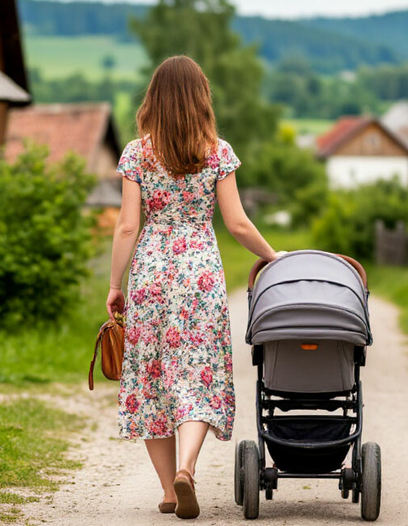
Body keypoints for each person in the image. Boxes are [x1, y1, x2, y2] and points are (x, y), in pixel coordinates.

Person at [106, 55, 278, 520]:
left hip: (151, 275)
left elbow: (126, 227)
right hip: (199, 273)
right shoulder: (217, 152)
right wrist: (273, 258)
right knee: (197, 373)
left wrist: (114, 284)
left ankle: (167, 491)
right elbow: (238, 224)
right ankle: (187, 469)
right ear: (201, 98)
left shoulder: (136, 154)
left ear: (153, 100)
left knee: (153, 379)